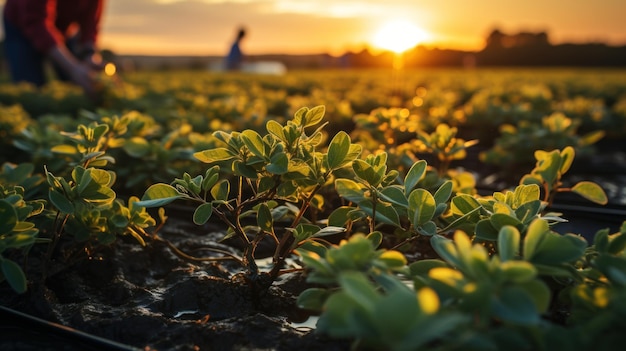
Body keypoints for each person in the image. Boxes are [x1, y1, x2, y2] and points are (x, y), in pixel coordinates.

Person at [2, 0, 105, 99]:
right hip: (20, 25)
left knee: (77, 83)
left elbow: (91, 21)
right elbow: (36, 22)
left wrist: (89, 55)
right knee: (32, 89)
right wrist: (72, 67)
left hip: (62, 29)